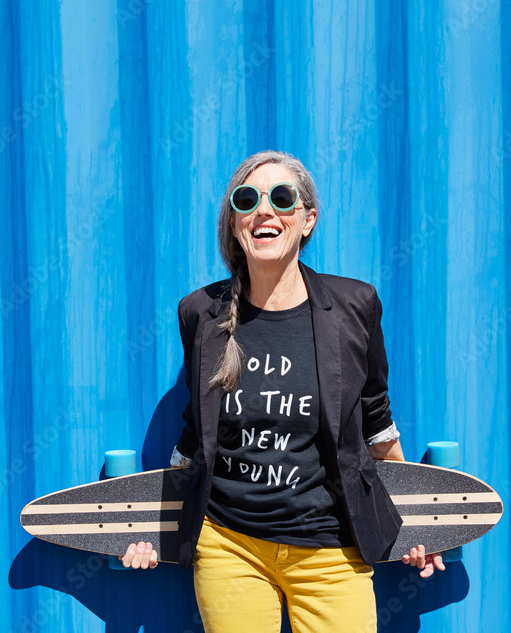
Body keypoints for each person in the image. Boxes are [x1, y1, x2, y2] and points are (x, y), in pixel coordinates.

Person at [119, 150, 443, 631]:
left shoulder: (355, 307)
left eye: (282, 198)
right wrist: (151, 523)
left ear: (308, 220)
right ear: (234, 224)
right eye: (247, 200)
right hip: (228, 545)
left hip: (332, 545)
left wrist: (418, 516)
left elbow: (376, 423)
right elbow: (196, 432)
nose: (264, 211)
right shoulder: (200, 314)